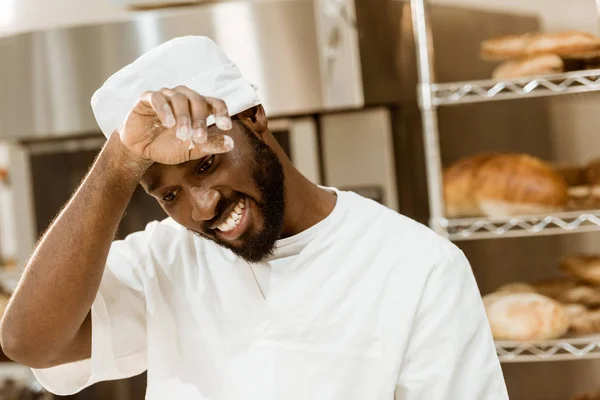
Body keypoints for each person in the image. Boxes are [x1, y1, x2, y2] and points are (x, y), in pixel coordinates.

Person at [0, 36, 508, 399]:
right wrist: (118, 164)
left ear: (256, 118)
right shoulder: (166, 259)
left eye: (206, 163)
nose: (202, 207)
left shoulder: (417, 265)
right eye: (169, 195)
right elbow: (31, 343)